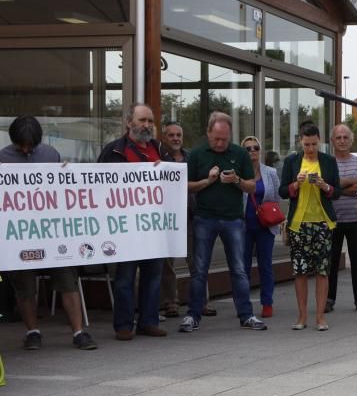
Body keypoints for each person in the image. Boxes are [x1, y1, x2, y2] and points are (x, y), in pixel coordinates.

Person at [0, 115, 96, 350]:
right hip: (19, 234)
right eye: (21, 145)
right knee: (24, 285)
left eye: (29, 145)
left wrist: (66, 172)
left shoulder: (51, 155)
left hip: (52, 233)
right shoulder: (2, 158)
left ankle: (79, 332)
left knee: (67, 280)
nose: (25, 149)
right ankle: (33, 332)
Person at [180, 111, 267, 332]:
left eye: (224, 139)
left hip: (233, 219)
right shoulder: (197, 154)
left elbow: (252, 186)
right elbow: (185, 186)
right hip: (204, 218)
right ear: (208, 133)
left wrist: (236, 180)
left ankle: (246, 315)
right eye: (216, 138)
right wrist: (207, 181)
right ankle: (193, 314)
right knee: (199, 269)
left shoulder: (239, 153)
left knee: (238, 269)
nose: (220, 143)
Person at [98, 104, 169, 340]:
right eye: (142, 120)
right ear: (129, 123)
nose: (147, 125)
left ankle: (148, 321)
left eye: (150, 121)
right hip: (125, 227)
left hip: (154, 226)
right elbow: (99, 187)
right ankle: (124, 325)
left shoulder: (161, 149)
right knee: (125, 278)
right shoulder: (113, 151)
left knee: (153, 276)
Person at [279, 123, 340, 330]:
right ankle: (302, 316)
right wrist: (295, 184)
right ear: (300, 142)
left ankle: (320, 317)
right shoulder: (292, 161)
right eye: (306, 144)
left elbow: (337, 191)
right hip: (299, 224)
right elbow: (282, 191)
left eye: (314, 144)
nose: (311, 148)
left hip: (323, 223)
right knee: (300, 271)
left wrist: (325, 186)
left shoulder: (329, 161)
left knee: (323, 271)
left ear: (320, 140)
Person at [158, 122, 217, 319]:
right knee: (167, 263)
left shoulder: (191, 157)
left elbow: (204, 184)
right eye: (171, 135)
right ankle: (170, 303)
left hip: (191, 214)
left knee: (196, 260)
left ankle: (201, 302)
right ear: (164, 137)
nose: (175, 138)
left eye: (178, 135)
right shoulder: (158, 159)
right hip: (166, 216)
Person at [326, 124, 357, 314]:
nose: (342, 141)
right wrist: (344, 185)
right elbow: (326, 189)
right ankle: (328, 298)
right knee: (330, 261)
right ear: (332, 141)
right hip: (332, 220)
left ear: (351, 140)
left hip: (356, 219)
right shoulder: (327, 163)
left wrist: (336, 187)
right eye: (338, 138)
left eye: (346, 137)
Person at [241, 135, 280, 318]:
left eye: (255, 148)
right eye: (248, 149)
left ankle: (267, 303)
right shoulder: (238, 173)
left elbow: (277, 197)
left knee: (265, 265)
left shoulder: (270, 172)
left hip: (265, 225)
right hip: (244, 226)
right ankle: (243, 304)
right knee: (243, 266)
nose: (252, 151)